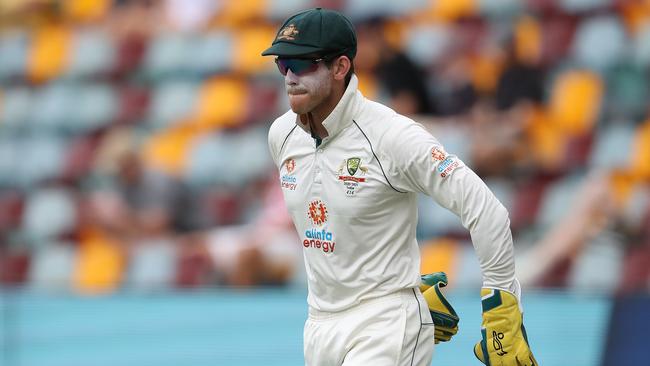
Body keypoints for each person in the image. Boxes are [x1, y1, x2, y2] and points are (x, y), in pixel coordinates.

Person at [262, 8, 537, 366]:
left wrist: (501, 310)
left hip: (386, 324)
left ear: (340, 67)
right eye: (283, 64)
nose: (290, 77)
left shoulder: (392, 136)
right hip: (319, 326)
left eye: (302, 65)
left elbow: (487, 211)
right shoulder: (281, 136)